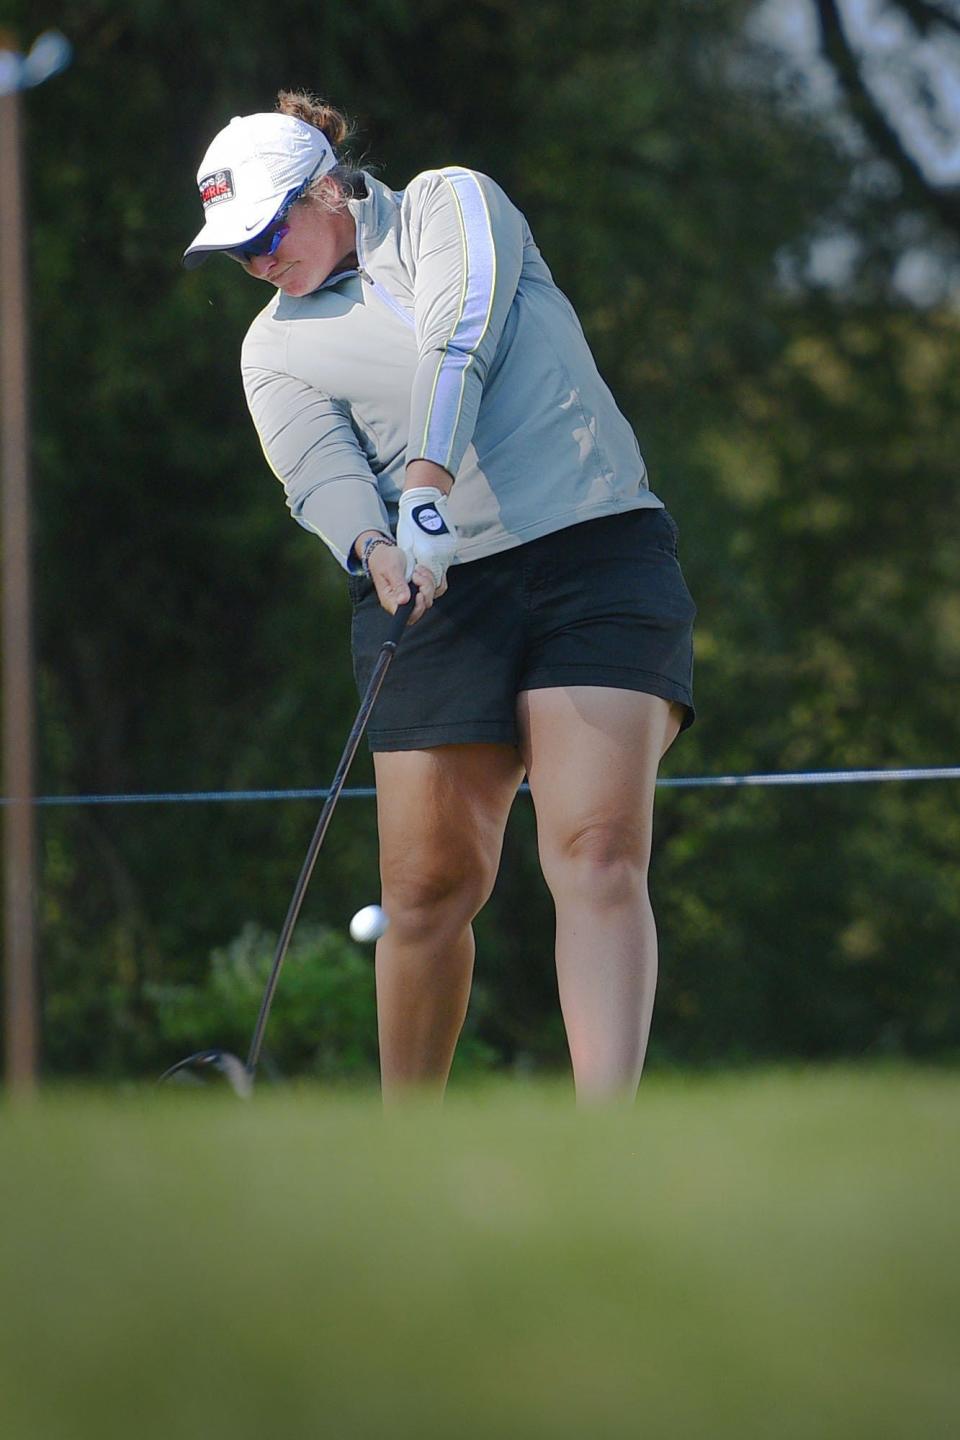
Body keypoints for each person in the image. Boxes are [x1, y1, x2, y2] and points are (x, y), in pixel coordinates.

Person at [183, 90, 696, 1102]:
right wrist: (374, 544)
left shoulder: (448, 205)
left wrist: (424, 487)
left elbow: (458, 339)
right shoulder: (272, 346)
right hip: (430, 590)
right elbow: (318, 473)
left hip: (593, 552)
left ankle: (610, 1140)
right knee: (425, 890)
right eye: (237, 251)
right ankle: (407, 1150)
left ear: (327, 189)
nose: (255, 263)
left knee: (595, 851)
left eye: (267, 234)